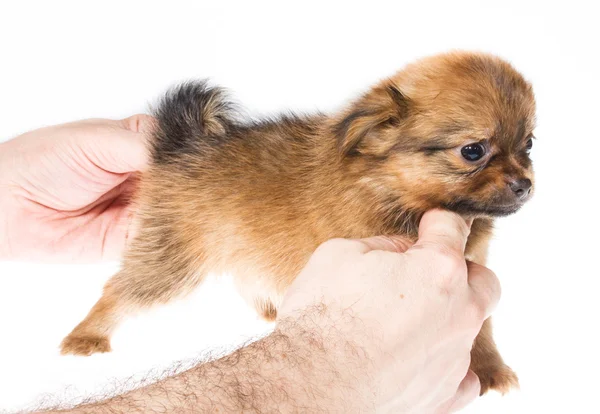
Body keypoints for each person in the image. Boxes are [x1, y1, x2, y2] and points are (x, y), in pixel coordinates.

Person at [0, 116, 500, 413]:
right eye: (473, 153)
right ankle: (98, 324)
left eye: (526, 146)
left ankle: (264, 295)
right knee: (156, 281)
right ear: (376, 135)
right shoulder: (355, 187)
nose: (518, 176)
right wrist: (332, 367)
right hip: (199, 196)